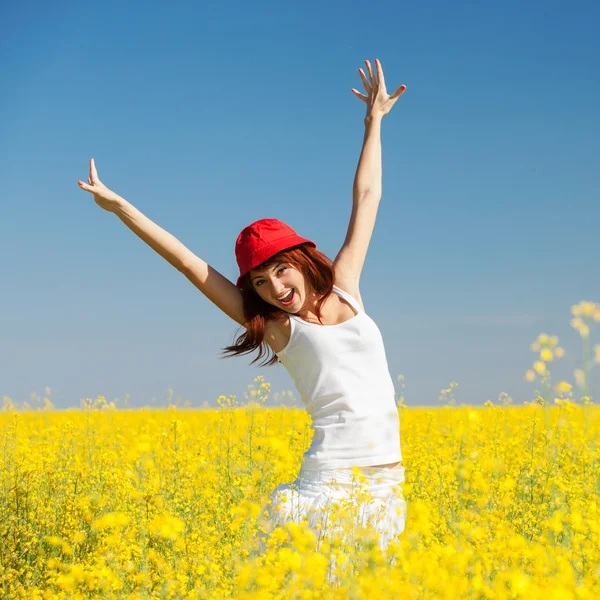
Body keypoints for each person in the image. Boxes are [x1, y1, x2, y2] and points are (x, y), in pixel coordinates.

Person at [77, 58, 407, 557]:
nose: (275, 288)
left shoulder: (345, 287)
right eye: (260, 281)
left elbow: (367, 196)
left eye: (280, 271)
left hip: (388, 488)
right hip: (330, 486)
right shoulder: (278, 328)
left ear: (301, 260)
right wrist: (121, 207)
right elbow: (190, 265)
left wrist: (374, 121)